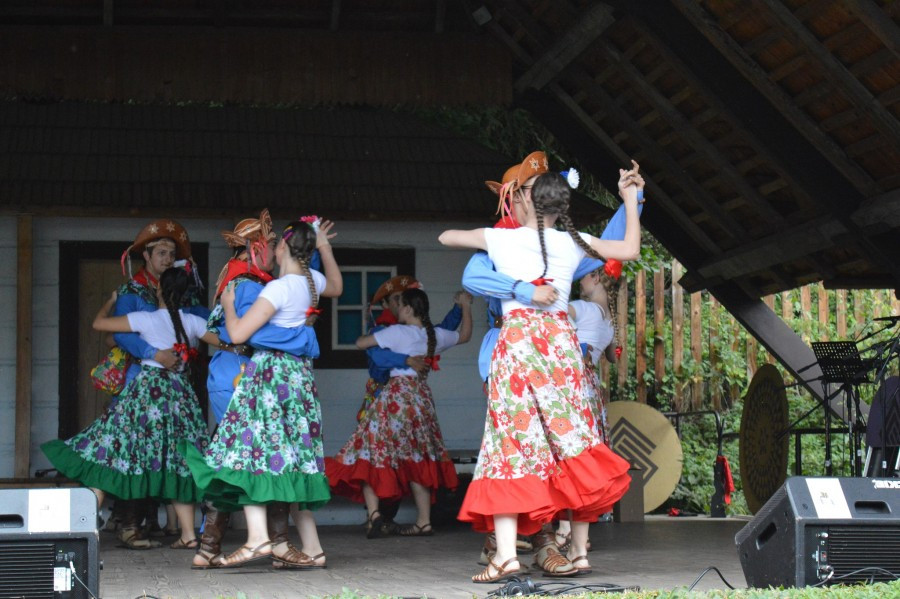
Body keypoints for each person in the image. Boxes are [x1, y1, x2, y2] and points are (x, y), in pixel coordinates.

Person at [439, 164, 641, 583]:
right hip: (560, 350)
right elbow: (628, 249)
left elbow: (447, 238)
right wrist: (628, 199)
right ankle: (572, 547)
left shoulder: (502, 238)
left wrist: (502, 253)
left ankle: (507, 556)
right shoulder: (574, 243)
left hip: (517, 348)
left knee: (510, 444)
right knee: (572, 440)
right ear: (564, 205)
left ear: (527, 201)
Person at [184, 218, 342, 569]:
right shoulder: (310, 283)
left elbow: (237, 333)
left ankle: (256, 540)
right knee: (287, 455)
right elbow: (336, 285)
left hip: (269, 379)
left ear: (282, 248)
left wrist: (227, 305)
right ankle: (299, 546)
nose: (270, 249)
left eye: (274, 243)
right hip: (298, 382)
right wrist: (325, 247)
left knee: (246, 452)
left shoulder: (278, 288)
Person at [42, 266, 218, 551]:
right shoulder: (193, 323)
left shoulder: (145, 319)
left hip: (146, 395)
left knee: (112, 451)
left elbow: (99, 324)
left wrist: (112, 299)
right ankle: (188, 534)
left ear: (158, 290)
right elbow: (226, 339)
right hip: (178, 396)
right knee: (180, 460)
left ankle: (83, 528)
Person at [326, 287, 472, 538]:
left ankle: (374, 515)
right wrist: (465, 306)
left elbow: (361, 343)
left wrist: (385, 342)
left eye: (399, 304)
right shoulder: (434, 335)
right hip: (421, 398)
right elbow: (465, 335)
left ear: (407, 309)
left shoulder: (397, 332)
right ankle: (424, 521)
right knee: (417, 456)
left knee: (370, 451)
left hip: (396, 399)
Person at [357, 275, 463, 535]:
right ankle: (381, 517)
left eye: (402, 298)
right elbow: (376, 357)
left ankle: (381, 517)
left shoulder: (411, 329)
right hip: (384, 392)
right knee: (394, 453)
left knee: (384, 452)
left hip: (399, 397)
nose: (398, 303)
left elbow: (444, 331)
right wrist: (407, 360)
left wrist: (459, 309)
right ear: (387, 305)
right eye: (394, 299)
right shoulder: (384, 327)